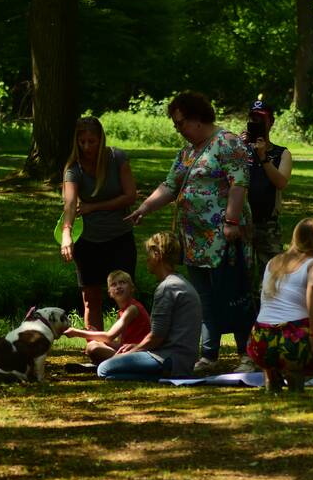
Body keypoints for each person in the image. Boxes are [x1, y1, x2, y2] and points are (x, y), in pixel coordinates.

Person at [126, 91, 257, 375]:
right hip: (194, 241)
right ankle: (209, 355)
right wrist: (144, 208)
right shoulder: (188, 152)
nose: (179, 130)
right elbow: (170, 186)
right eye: (176, 125)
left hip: (225, 239)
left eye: (181, 123)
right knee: (204, 299)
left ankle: (247, 353)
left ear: (198, 118)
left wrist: (232, 222)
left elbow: (238, 184)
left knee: (234, 295)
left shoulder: (227, 143)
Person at [60, 117, 138, 330]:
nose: (86, 147)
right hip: (88, 240)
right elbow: (69, 204)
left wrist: (94, 207)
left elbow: (130, 196)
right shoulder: (74, 169)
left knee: (124, 294)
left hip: (119, 236)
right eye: (82, 141)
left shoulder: (117, 158)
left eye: (91, 141)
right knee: (90, 298)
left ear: (100, 140)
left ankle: (128, 343)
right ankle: (95, 348)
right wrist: (66, 233)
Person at [247, 218, 313, 390]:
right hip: (292, 338)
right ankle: (293, 371)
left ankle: (273, 372)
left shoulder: (274, 262)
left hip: (259, 340)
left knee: (276, 351)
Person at [97, 233, 201, 381]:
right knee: (112, 369)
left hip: (168, 359)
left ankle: (160, 376)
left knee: (104, 369)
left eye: (149, 255)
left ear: (157, 255)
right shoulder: (181, 282)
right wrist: (136, 346)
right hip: (184, 360)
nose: (147, 259)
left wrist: (133, 351)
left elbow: (156, 337)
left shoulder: (167, 288)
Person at [240, 98, 292, 276]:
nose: (256, 123)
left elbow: (281, 182)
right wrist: (239, 148)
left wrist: (263, 156)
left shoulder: (281, 153)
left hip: (267, 224)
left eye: (261, 119)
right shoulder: (241, 150)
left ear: (271, 122)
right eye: (253, 119)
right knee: (241, 278)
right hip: (241, 224)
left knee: (272, 278)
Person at [63, 270, 151, 367]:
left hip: (139, 354)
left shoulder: (132, 309)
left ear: (132, 288)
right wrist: (95, 336)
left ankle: (108, 365)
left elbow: (109, 336)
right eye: (114, 285)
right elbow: (119, 344)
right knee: (93, 344)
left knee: (93, 348)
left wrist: (77, 333)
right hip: (128, 351)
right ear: (110, 293)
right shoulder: (121, 312)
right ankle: (107, 365)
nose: (118, 287)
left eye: (122, 282)